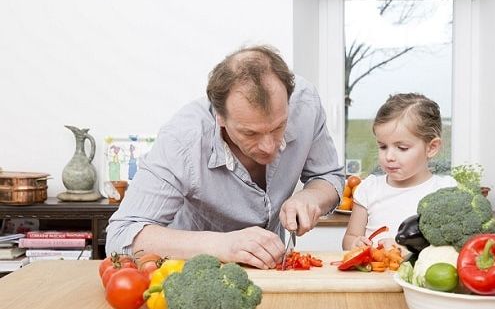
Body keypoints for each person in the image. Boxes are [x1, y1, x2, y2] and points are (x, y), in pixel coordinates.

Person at [106, 45, 344, 269]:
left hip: (268, 272)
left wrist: (311, 197)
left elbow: (328, 176)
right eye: (250, 132)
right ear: (220, 117)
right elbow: (120, 236)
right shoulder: (183, 139)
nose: (269, 146)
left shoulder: (306, 104)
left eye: (278, 126)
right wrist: (222, 245)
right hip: (194, 273)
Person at [342, 93, 456, 250]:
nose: (388, 156)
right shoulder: (368, 189)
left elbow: (450, 247)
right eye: (382, 146)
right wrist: (355, 244)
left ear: (431, 147)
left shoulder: (445, 191)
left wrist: (404, 249)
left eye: (402, 148)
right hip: (373, 274)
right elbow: (350, 238)